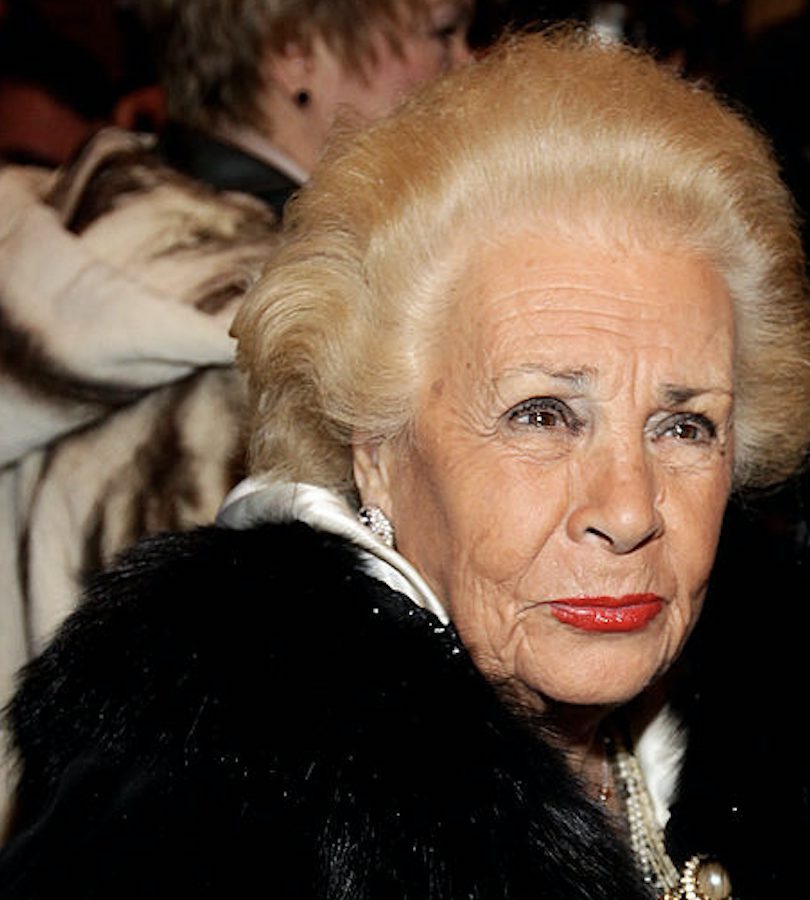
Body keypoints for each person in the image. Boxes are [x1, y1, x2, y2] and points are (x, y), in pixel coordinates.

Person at [1, 30, 810, 898]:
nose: (630, 509)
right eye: (541, 414)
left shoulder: (795, 749)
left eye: (684, 426)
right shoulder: (212, 799)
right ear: (375, 441)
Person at [0, 0, 472, 824]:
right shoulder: (285, 352)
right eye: (441, 31)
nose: (467, 63)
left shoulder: (65, 247)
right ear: (295, 53)